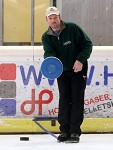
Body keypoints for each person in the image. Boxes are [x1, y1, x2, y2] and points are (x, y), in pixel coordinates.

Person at [42, 6, 93, 143]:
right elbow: (49, 53)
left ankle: (75, 131)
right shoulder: (46, 37)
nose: (53, 21)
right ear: (47, 20)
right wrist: (52, 63)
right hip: (61, 71)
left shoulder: (73, 28)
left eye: (55, 17)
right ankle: (64, 130)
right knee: (64, 99)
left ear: (60, 17)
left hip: (78, 69)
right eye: (50, 18)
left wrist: (80, 60)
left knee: (76, 98)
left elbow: (87, 44)